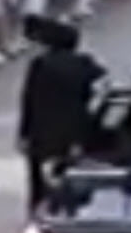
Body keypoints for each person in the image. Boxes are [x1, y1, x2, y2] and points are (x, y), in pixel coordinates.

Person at [16, 20, 105, 220]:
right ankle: (75, 210)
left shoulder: (41, 64)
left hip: (43, 132)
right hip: (77, 130)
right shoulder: (85, 63)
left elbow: (29, 100)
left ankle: (40, 213)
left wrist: (24, 133)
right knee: (76, 173)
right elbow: (102, 87)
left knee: (41, 179)